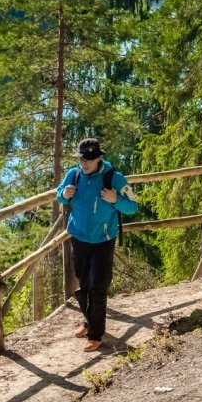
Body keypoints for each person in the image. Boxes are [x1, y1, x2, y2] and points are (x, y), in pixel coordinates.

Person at [55, 138, 139, 351]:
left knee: (98, 287)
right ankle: (88, 322)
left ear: (100, 157)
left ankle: (95, 334)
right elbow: (60, 195)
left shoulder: (114, 178)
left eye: (90, 159)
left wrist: (115, 200)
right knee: (84, 284)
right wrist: (64, 195)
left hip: (103, 240)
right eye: (82, 158)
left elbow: (132, 206)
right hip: (79, 238)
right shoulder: (73, 175)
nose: (85, 163)